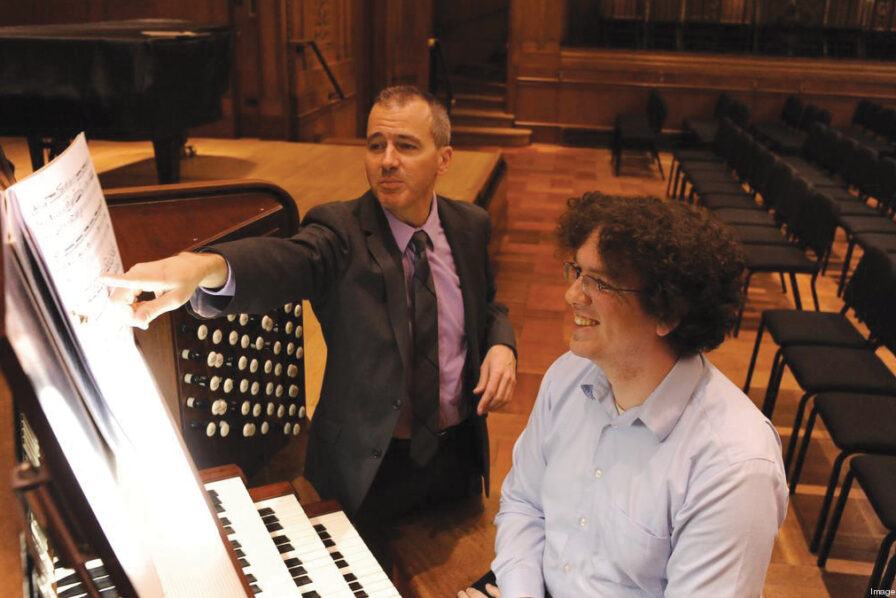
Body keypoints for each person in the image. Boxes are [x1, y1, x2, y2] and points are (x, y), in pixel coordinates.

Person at [102, 86, 517, 555]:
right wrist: (204, 268)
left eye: (405, 146)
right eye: (375, 144)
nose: (387, 160)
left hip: (456, 458)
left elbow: (487, 304)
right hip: (367, 470)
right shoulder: (340, 232)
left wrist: (501, 343)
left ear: (444, 159)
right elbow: (286, 261)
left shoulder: (469, 225)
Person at [460, 193, 787, 598]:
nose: (572, 295)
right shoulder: (568, 374)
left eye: (600, 282)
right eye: (578, 272)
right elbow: (525, 503)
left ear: (668, 312)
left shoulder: (734, 466)